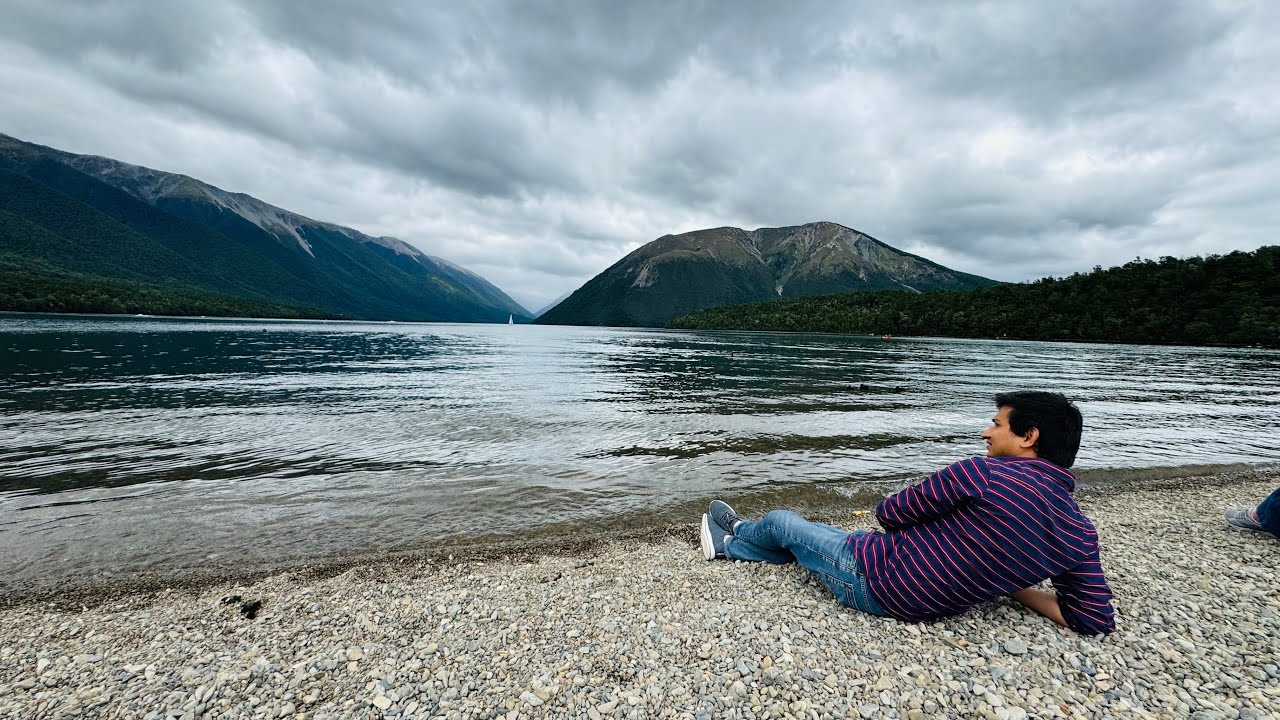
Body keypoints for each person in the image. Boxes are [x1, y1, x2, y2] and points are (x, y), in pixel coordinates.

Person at [700, 391, 1115, 635]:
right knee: (817, 534)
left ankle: (733, 540)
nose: (986, 432)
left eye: (997, 424)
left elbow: (890, 514)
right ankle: (760, 543)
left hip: (875, 583)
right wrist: (1011, 582)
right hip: (931, 604)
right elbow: (1092, 617)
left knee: (782, 520)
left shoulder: (982, 473)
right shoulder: (1078, 531)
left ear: (1028, 436)